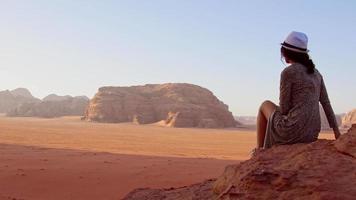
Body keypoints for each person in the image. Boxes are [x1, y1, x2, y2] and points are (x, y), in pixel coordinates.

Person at [255, 31, 341, 151]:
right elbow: (326, 103)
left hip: (292, 131)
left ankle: (259, 150)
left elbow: (284, 108)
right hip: (311, 134)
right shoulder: (317, 74)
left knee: (265, 105)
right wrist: (336, 131)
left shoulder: (288, 72)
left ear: (286, 53)